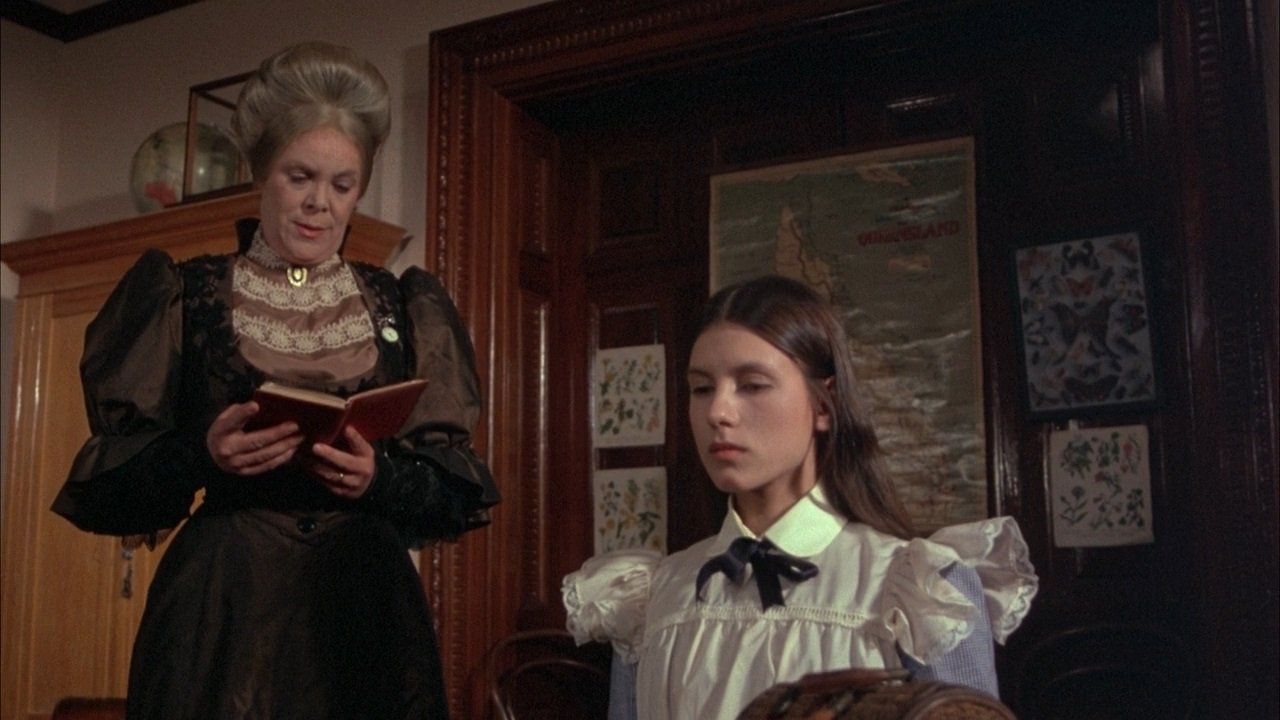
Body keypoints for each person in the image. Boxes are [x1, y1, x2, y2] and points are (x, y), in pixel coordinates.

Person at [50, 41, 498, 720]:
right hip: (224, 613)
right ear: (262, 173)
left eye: (342, 185)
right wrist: (203, 454)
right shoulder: (184, 293)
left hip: (363, 613)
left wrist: (378, 478)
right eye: (300, 177)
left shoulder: (402, 304)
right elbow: (109, 491)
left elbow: (453, 495)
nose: (320, 203)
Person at [563, 275, 1037, 719]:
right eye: (702, 388)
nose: (718, 412)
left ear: (824, 404)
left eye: (752, 385)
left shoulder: (916, 589)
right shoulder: (653, 598)